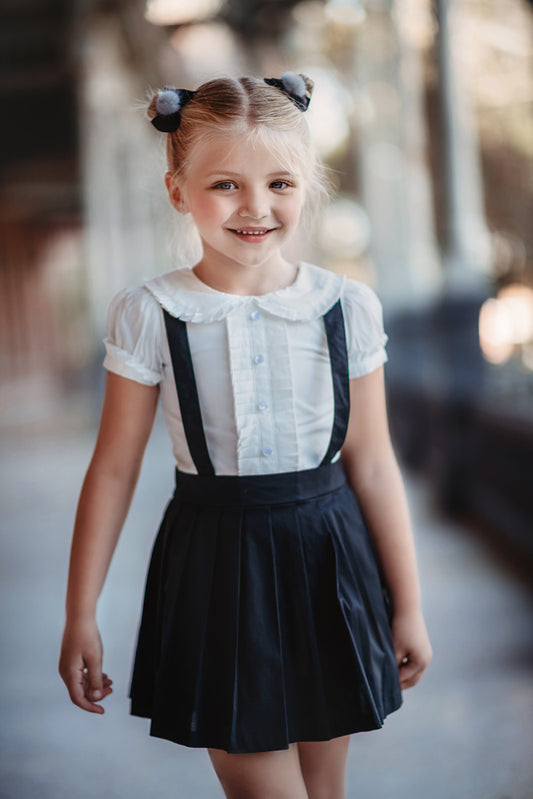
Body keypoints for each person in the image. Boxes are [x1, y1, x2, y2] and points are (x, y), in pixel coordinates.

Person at [59, 72, 432, 799]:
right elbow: (112, 470)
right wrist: (80, 612)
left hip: (330, 560)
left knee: (324, 793)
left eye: (280, 184)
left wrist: (408, 603)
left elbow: (375, 463)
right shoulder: (149, 311)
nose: (256, 207)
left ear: (308, 188)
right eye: (225, 184)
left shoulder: (345, 307)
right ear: (177, 189)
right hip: (214, 568)